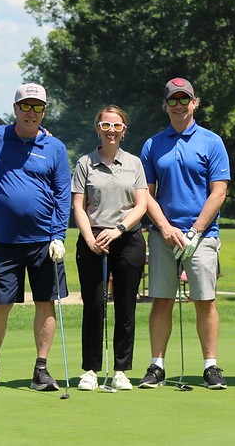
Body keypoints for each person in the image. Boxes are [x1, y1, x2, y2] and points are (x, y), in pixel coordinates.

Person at [0, 83, 71, 392]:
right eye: (25, 106)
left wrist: (59, 235)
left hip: (45, 242)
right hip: (7, 242)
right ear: (15, 108)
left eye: (37, 107)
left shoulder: (55, 147)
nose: (31, 112)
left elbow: (63, 194)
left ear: (44, 111)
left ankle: (41, 370)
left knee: (45, 304)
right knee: (1, 304)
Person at [139, 77, 230, 390]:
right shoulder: (152, 144)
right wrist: (165, 227)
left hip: (202, 235)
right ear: (166, 105)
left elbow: (219, 192)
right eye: (173, 100)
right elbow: (146, 194)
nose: (179, 105)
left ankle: (210, 366)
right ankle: (157, 366)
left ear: (195, 102)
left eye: (184, 99)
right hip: (163, 234)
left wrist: (195, 230)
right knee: (161, 301)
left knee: (205, 300)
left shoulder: (211, 142)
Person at [71, 105, 148, 392]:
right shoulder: (85, 163)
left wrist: (119, 229)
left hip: (127, 237)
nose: (111, 131)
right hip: (93, 239)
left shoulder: (134, 163)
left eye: (116, 126)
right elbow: (78, 206)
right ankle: (90, 370)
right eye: (105, 126)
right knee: (93, 305)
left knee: (126, 306)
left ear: (124, 130)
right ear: (98, 129)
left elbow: (141, 204)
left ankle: (121, 370)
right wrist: (89, 238)